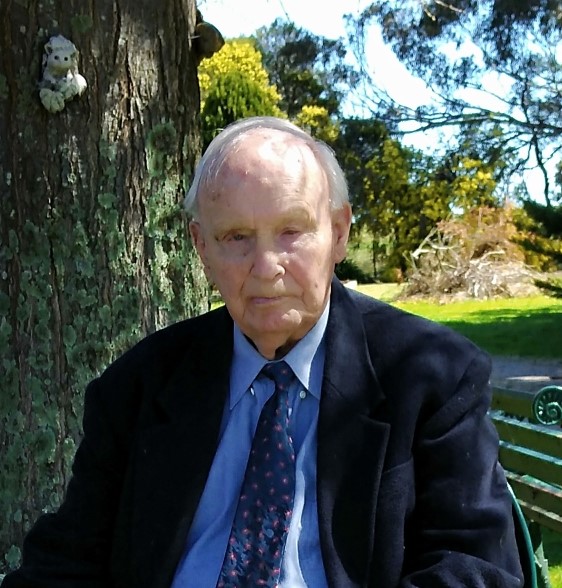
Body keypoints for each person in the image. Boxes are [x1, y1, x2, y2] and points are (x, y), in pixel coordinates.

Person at [2, 116, 523, 588]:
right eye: (236, 237)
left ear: (338, 233)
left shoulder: (432, 378)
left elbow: (475, 567)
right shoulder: (136, 388)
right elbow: (63, 562)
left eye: (291, 231)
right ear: (201, 248)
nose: (266, 265)